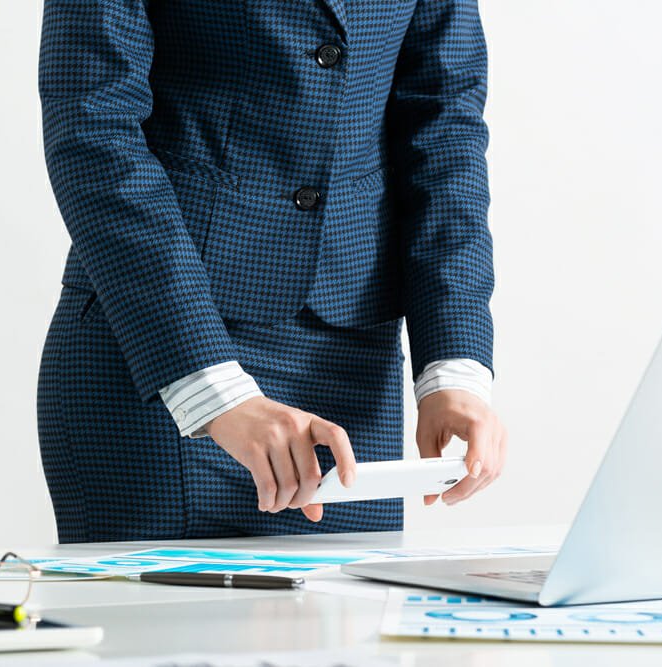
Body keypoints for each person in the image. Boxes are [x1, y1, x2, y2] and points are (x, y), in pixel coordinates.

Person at [36, 0, 507, 543]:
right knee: (164, 625)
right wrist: (215, 393)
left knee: (348, 620)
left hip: (351, 364)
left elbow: (445, 128)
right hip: (168, 356)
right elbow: (93, 128)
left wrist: (453, 368)